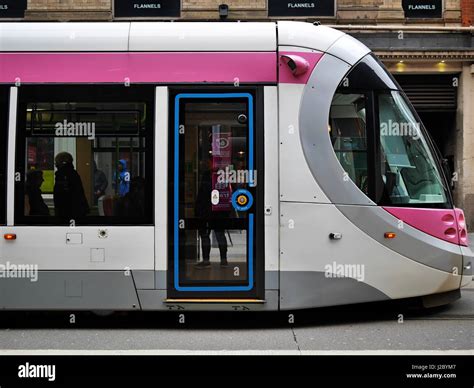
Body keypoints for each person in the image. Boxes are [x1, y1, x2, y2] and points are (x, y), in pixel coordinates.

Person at [194, 159, 229, 269]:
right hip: (206, 210)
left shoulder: (222, 175)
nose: (211, 164)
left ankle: (223, 259)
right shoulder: (207, 175)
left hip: (218, 210)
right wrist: (198, 209)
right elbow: (201, 193)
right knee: (205, 235)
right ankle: (206, 260)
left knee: (219, 234)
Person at [53, 152, 89, 219]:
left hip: (67, 212)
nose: (55, 164)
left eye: (56, 162)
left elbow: (61, 195)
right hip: (76, 210)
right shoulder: (72, 173)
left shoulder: (62, 175)